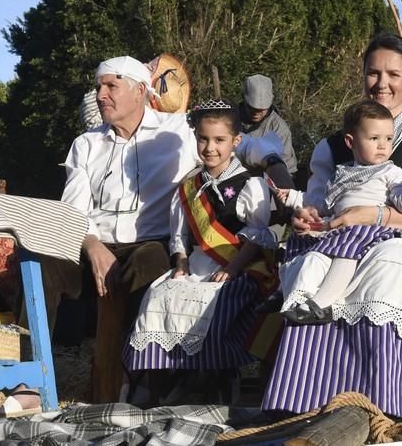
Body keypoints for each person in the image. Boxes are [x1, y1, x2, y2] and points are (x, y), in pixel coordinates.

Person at [37, 55, 293, 402]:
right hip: (93, 244)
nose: (101, 94)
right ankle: (32, 376)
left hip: (149, 244)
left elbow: (241, 143)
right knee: (42, 270)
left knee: (151, 266)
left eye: (111, 85)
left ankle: (141, 378)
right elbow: (73, 211)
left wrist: (277, 168)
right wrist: (93, 246)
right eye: (99, 86)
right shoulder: (85, 144)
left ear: (140, 90)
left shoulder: (177, 133)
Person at [278, 33, 402, 339]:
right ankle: (309, 381)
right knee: (309, 264)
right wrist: (306, 216)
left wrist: (370, 216)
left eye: (393, 74)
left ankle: (378, 377)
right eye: (373, 73)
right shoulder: (334, 146)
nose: (382, 83)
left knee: (384, 266)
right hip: (336, 235)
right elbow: (316, 205)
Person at [127, 99, 278, 403]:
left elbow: (258, 237)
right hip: (196, 266)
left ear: (235, 141)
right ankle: (159, 388)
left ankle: (212, 383)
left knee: (218, 301)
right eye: (203, 139)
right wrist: (180, 263)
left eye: (219, 140)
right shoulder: (188, 187)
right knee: (157, 296)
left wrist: (233, 269)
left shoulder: (251, 184)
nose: (210, 147)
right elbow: (180, 235)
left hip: (241, 267)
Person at [274, 100, 402, 324]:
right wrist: (293, 198)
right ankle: (286, 293)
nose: (382, 146)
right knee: (309, 252)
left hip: (369, 230)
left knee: (345, 252)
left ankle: (321, 304)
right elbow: (323, 203)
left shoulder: (390, 171)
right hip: (339, 226)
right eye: (374, 138)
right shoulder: (342, 172)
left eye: (388, 139)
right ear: (351, 141)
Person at [239, 74, 298, 176]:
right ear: (244, 99)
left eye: (261, 110)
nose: (256, 113)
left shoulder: (279, 128)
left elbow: (285, 165)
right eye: (252, 108)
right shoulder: (230, 119)